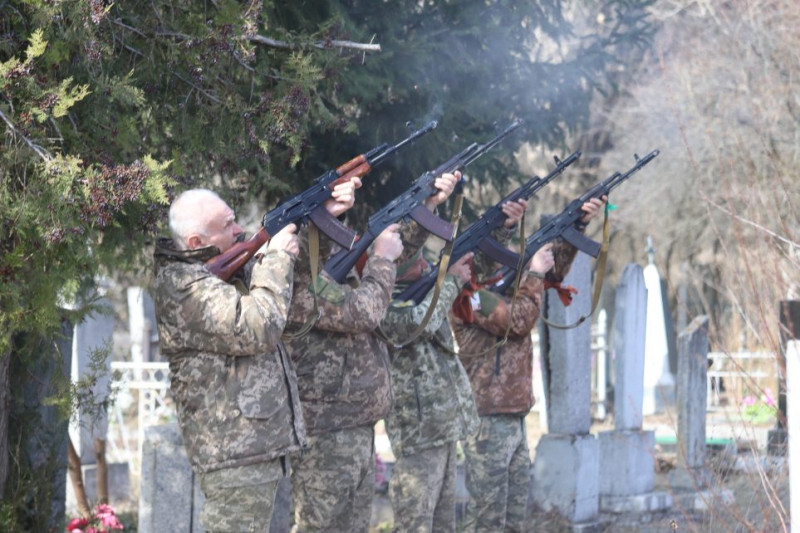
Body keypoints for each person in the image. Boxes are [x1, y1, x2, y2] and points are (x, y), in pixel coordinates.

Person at [153, 182, 357, 533]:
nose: (239, 230)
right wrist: (275, 256)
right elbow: (260, 325)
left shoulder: (227, 270)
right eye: (228, 225)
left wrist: (323, 222)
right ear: (196, 243)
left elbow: (291, 283)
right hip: (234, 456)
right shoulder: (182, 285)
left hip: (257, 449)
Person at [284, 172, 459, 533]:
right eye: (326, 225)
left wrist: (426, 207)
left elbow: (392, 256)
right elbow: (364, 310)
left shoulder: (329, 276)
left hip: (356, 424)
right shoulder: (304, 287)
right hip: (326, 430)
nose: (335, 235)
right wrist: (381, 259)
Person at [449, 196, 605, 533]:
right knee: (487, 518)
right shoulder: (469, 298)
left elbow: (551, 274)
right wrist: (534, 273)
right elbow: (519, 319)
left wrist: (576, 225)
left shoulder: (501, 287)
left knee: (514, 517)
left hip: (513, 414)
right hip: (485, 418)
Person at [379, 197, 529, 533]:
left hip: (444, 428)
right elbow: (419, 324)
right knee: (416, 526)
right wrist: (449, 282)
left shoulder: (428, 290)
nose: (425, 265)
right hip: (417, 436)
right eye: (418, 261)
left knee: (444, 525)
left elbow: (477, 270)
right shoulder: (388, 305)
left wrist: (501, 228)